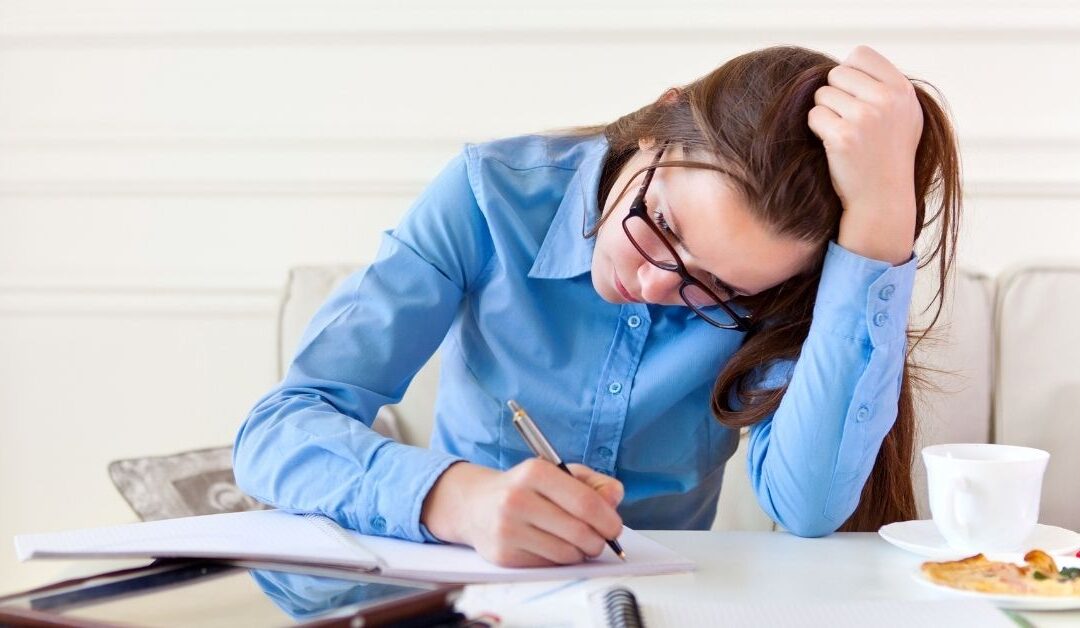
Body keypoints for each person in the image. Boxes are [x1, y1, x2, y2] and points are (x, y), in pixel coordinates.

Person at [233, 44, 961, 568]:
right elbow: (278, 432)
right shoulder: (487, 198)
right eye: (663, 224)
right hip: (465, 592)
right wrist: (454, 499)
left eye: (717, 289)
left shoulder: (777, 289)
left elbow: (806, 508)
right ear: (656, 124)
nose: (653, 285)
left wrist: (878, 224)